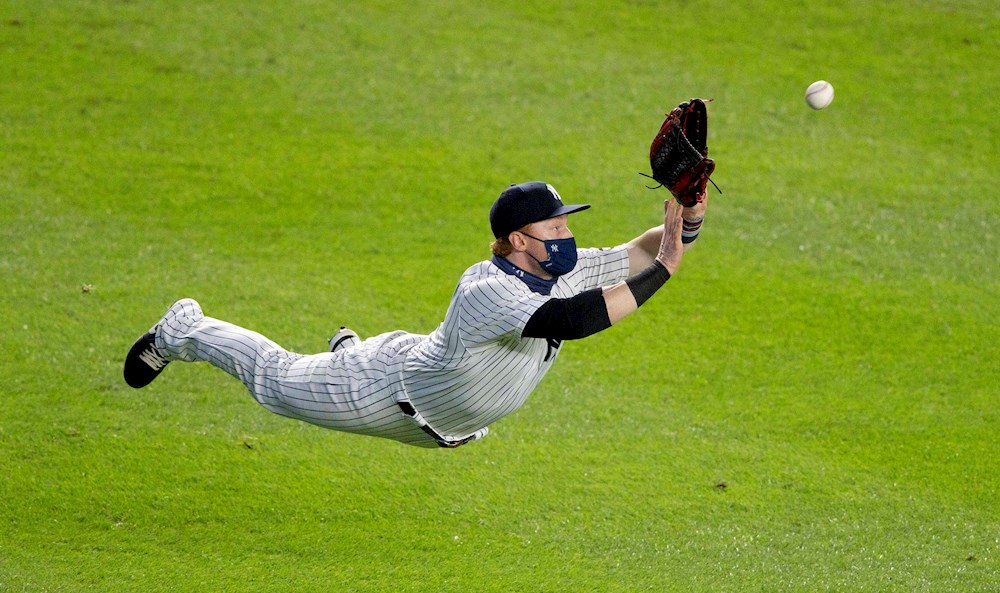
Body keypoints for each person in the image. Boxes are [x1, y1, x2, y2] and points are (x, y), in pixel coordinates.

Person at [124, 181, 707, 448]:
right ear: (518, 240)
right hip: (386, 393)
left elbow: (639, 252)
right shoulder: (488, 291)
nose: (567, 235)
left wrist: (688, 213)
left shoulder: (560, 270)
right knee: (275, 382)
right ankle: (184, 330)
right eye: (554, 227)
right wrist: (667, 270)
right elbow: (575, 321)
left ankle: (347, 352)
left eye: (567, 223)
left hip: (434, 403)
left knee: (361, 357)